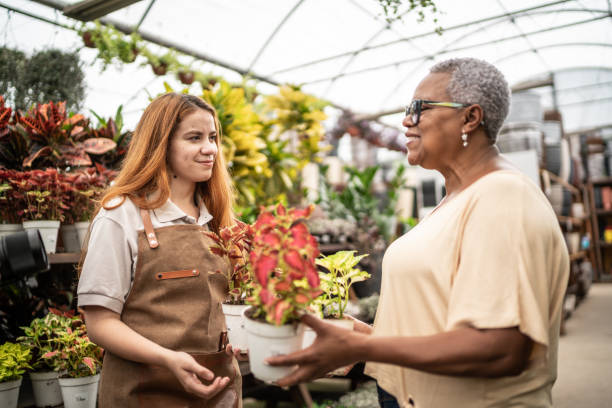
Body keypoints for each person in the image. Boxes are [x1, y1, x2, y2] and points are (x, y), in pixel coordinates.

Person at [267, 57, 569, 408]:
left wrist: (362, 347)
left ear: (470, 118)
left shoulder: (502, 196)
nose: (406, 120)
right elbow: (433, 324)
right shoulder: (455, 200)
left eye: (419, 108)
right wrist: (356, 334)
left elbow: (499, 349)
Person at [77, 93, 243, 407]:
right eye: (194, 138)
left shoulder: (218, 219)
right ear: (161, 145)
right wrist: (168, 359)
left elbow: (225, 307)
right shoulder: (120, 215)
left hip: (220, 391)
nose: (210, 149)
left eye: (212, 137)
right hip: (144, 393)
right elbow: (98, 324)